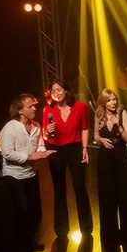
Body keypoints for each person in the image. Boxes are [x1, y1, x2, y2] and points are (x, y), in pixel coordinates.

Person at [0, 93, 55, 252]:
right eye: (29, 106)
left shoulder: (36, 126)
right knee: (22, 209)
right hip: (14, 175)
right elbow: (7, 153)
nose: (34, 108)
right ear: (20, 110)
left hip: (30, 173)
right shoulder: (10, 128)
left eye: (34, 105)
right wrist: (30, 156)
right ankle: (20, 246)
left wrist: (44, 153)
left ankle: (29, 241)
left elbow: (40, 146)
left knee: (34, 211)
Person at [42, 77, 94, 239]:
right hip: (55, 149)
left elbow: (85, 128)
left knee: (79, 187)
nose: (56, 93)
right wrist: (49, 131)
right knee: (59, 189)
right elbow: (45, 134)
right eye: (53, 90)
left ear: (66, 90)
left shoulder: (80, 107)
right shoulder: (47, 110)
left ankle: (86, 228)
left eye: (59, 89)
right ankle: (61, 229)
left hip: (75, 149)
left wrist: (85, 148)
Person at [93, 88, 127, 248]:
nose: (113, 103)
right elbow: (95, 135)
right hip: (105, 158)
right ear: (103, 103)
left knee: (125, 193)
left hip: (121, 156)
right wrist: (102, 141)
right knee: (108, 195)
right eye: (109, 100)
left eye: (114, 99)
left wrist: (119, 128)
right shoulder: (99, 115)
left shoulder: (122, 113)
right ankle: (110, 234)